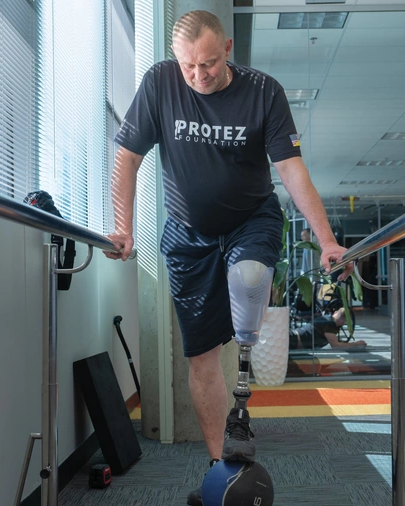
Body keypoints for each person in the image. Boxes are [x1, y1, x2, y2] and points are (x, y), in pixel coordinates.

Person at [103, 10, 352, 505]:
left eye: (211, 64)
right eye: (190, 67)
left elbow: (291, 171)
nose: (200, 76)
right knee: (198, 359)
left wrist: (326, 240)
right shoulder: (159, 84)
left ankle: (244, 371)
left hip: (250, 220)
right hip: (187, 234)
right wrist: (124, 229)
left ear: (229, 47)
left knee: (250, 276)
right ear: (177, 60)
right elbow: (126, 158)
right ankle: (222, 469)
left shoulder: (263, 92)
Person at [290, 308, 367, 350]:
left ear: (335, 312)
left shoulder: (328, 318)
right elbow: (335, 345)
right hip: (293, 341)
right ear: (344, 322)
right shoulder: (331, 324)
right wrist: (355, 344)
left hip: (294, 337)